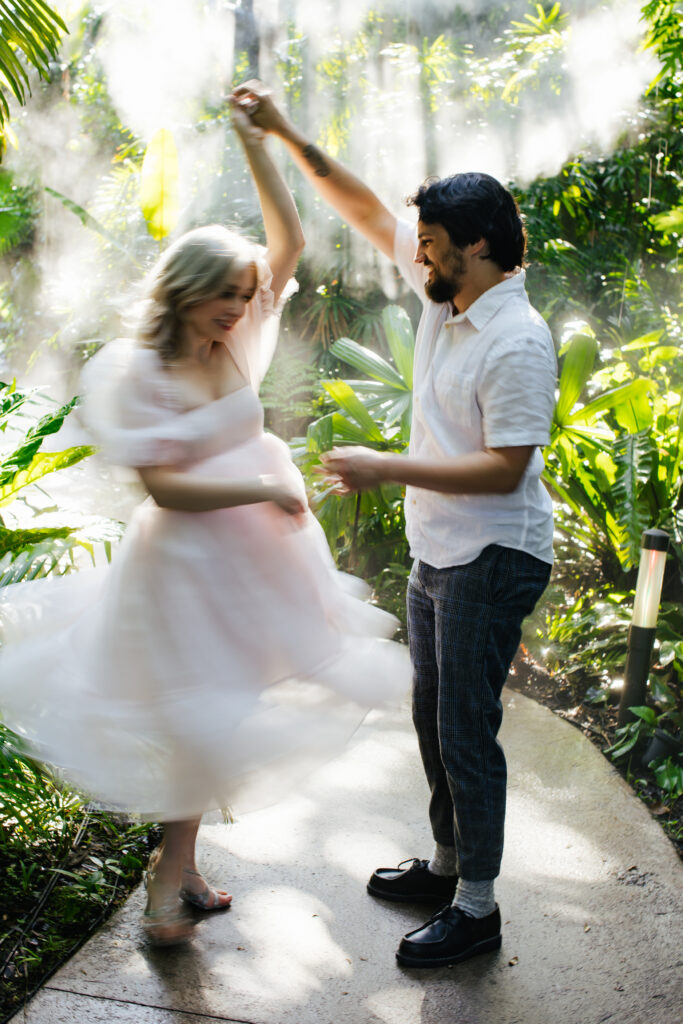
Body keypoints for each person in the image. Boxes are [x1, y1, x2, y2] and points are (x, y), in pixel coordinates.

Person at [0, 99, 409, 946]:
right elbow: (167, 490)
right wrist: (260, 492)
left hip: (254, 561)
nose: (238, 305)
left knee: (223, 707)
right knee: (206, 710)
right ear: (183, 292)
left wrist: (253, 140)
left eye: (243, 294)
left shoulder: (238, 342)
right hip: (185, 562)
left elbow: (287, 239)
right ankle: (166, 885)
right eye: (222, 294)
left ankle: (177, 868)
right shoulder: (138, 371)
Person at [234, 81, 557, 969]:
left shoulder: (515, 339)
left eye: (431, 243)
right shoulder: (442, 296)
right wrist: (283, 131)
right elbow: (364, 205)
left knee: (463, 731)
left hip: (494, 553)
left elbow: (505, 467)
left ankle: (478, 909)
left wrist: (385, 466)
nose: (414, 253)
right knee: (431, 720)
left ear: (478, 247)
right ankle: (451, 867)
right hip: (439, 548)